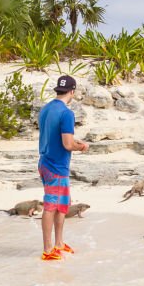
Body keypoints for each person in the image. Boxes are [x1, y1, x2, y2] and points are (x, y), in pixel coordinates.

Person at [37, 75, 89, 261]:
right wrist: (81, 147)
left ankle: (58, 243)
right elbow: (67, 144)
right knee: (51, 206)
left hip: (45, 162)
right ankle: (48, 249)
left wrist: (75, 142)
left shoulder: (46, 109)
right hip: (56, 166)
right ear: (72, 91)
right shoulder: (67, 113)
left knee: (62, 205)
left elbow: (55, 137)